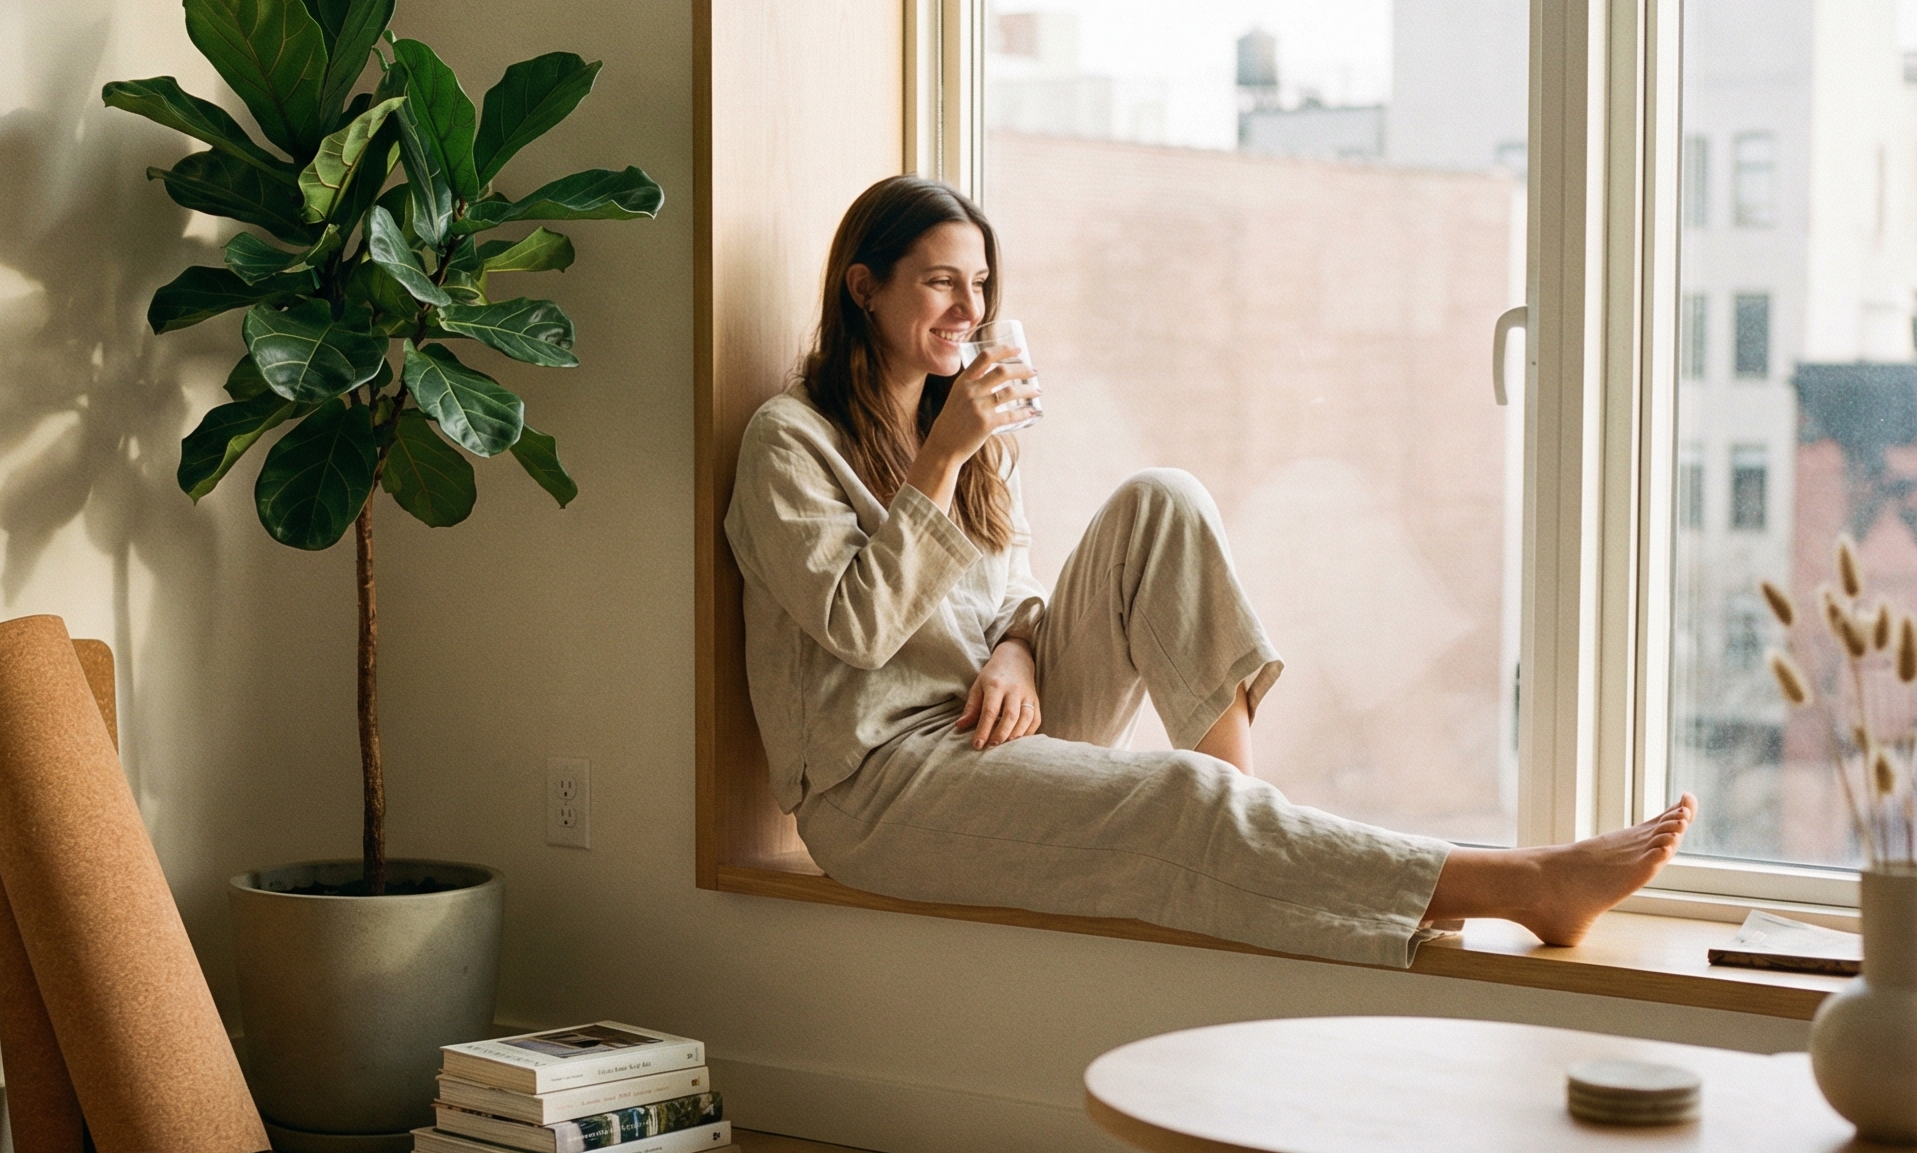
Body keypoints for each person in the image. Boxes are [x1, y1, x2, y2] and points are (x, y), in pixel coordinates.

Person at [722, 176, 1693, 969]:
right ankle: (1521, 885)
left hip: (987, 721)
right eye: (941, 283)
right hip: (882, 786)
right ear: (864, 289)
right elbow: (853, 626)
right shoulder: (790, 442)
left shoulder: (958, 428)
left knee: (1163, 498)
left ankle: (1245, 842)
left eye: (981, 285)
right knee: (1174, 799)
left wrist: (1019, 648)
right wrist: (942, 460)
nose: (971, 310)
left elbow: (1008, 589)